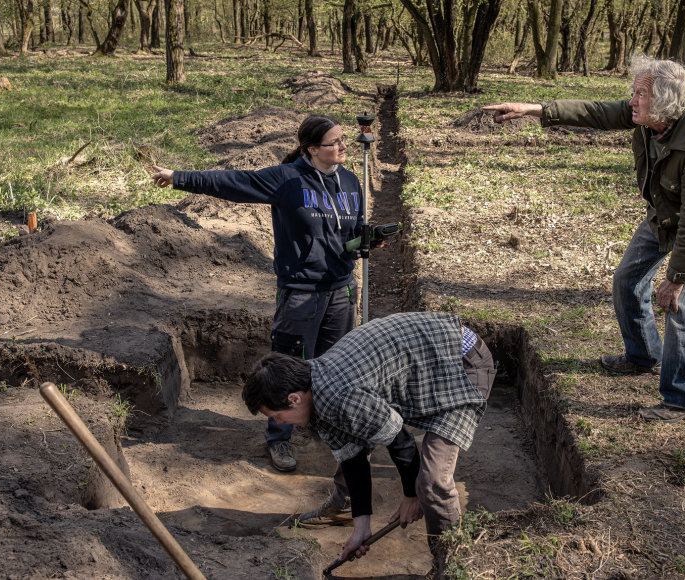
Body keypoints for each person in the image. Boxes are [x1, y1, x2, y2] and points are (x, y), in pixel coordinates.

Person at [483, 54, 685, 422]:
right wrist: (533, 109)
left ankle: (683, 398)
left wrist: (676, 279)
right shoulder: (650, 118)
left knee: (678, 306)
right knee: (627, 280)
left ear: (664, 102)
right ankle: (642, 355)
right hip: (663, 213)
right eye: (633, 93)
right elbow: (596, 112)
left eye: (640, 94)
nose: (632, 101)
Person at [151, 115, 368, 471]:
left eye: (344, 139)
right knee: (288, 371)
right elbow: (234, 182)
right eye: (335, 142)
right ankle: (279, 439)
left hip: (341, 289)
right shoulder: (287, 179)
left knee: (336, 366)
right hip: (301, 292)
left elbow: (354, 227)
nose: (344, 147)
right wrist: (179, 177)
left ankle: (328, 427)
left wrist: (364, 242)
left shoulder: (351, 180)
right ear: (312, 149)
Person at [241, 311, 497, 570]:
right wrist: (361, 526)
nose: (281, 424)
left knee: (432, 483)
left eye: (277, 416)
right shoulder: (315, 387)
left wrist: (411, 495)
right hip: (429, 365)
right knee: (421, 481)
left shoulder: (337, 395)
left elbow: (400, 439)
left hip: (459, 363)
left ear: (294, 399)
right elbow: (353, 454)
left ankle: (453, 567)